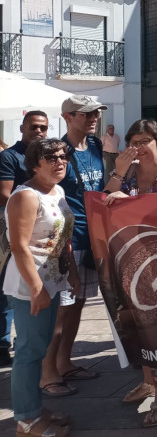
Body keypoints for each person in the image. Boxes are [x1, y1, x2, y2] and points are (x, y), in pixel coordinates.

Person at [102, 119, 157, 427]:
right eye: (133, 142)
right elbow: (106, 202)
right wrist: (119, 172)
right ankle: (149, 379)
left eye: (144, 141)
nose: (138, 147)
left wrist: (132, 201)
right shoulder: (130, 172)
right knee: (136, 326)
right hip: (131, 257)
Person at [5, 138, 78, 437]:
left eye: (63, 156)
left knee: (41, 346)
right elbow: (19, 246)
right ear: (35, 163)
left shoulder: (57, 191)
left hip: (52, 281)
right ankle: (26, 420)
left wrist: (70, 272)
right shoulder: (25, 196)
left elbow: (62, 236)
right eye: (51, 157)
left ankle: (34, 409)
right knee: (29, 351)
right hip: (29, 284)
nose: (60, 161)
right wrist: (37, 289)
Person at [40, 96, 107, 397]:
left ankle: (65, 363)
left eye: (95, 112)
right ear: (67, 117)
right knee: (62, 309)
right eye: (85, 113)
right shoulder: (59, 153)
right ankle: (47, 373)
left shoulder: (95, 147)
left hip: (92, 236)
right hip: (68, 238)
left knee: (78, 304)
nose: (93, 117)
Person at [0, 111, 49, 368]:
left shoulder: (45, 157)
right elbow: (4, 194)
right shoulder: (9, 156)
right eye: (34, 126)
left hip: (40, 236)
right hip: (12, 232)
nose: (39, 131)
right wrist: (34, 212)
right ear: (22, 127)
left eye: (43, 127)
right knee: (9, 289)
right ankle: (3, 342)